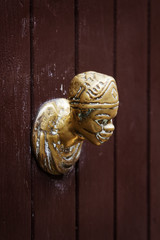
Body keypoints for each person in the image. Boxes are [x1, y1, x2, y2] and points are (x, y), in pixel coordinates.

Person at [32, 71, 119, 175]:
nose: (110, 127)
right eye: (101, 120)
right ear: (78, 115)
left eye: (111, 119)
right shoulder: (46, 134)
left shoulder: (78, 138)